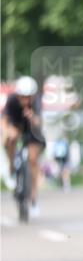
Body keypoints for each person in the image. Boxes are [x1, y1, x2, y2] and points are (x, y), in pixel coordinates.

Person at [2, 76, 45, 217]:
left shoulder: (36, 102)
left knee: (33, 159)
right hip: (17, 127)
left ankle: (33, 195)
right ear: (18, 95)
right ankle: (11, 166)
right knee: (10, 138)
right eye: (23, 97)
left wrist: (32, 117)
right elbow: (4, 119)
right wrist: (7, 131)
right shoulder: (12, 100)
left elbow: (39, 123)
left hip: (32, 131)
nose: (25, 100)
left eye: (28, 97)